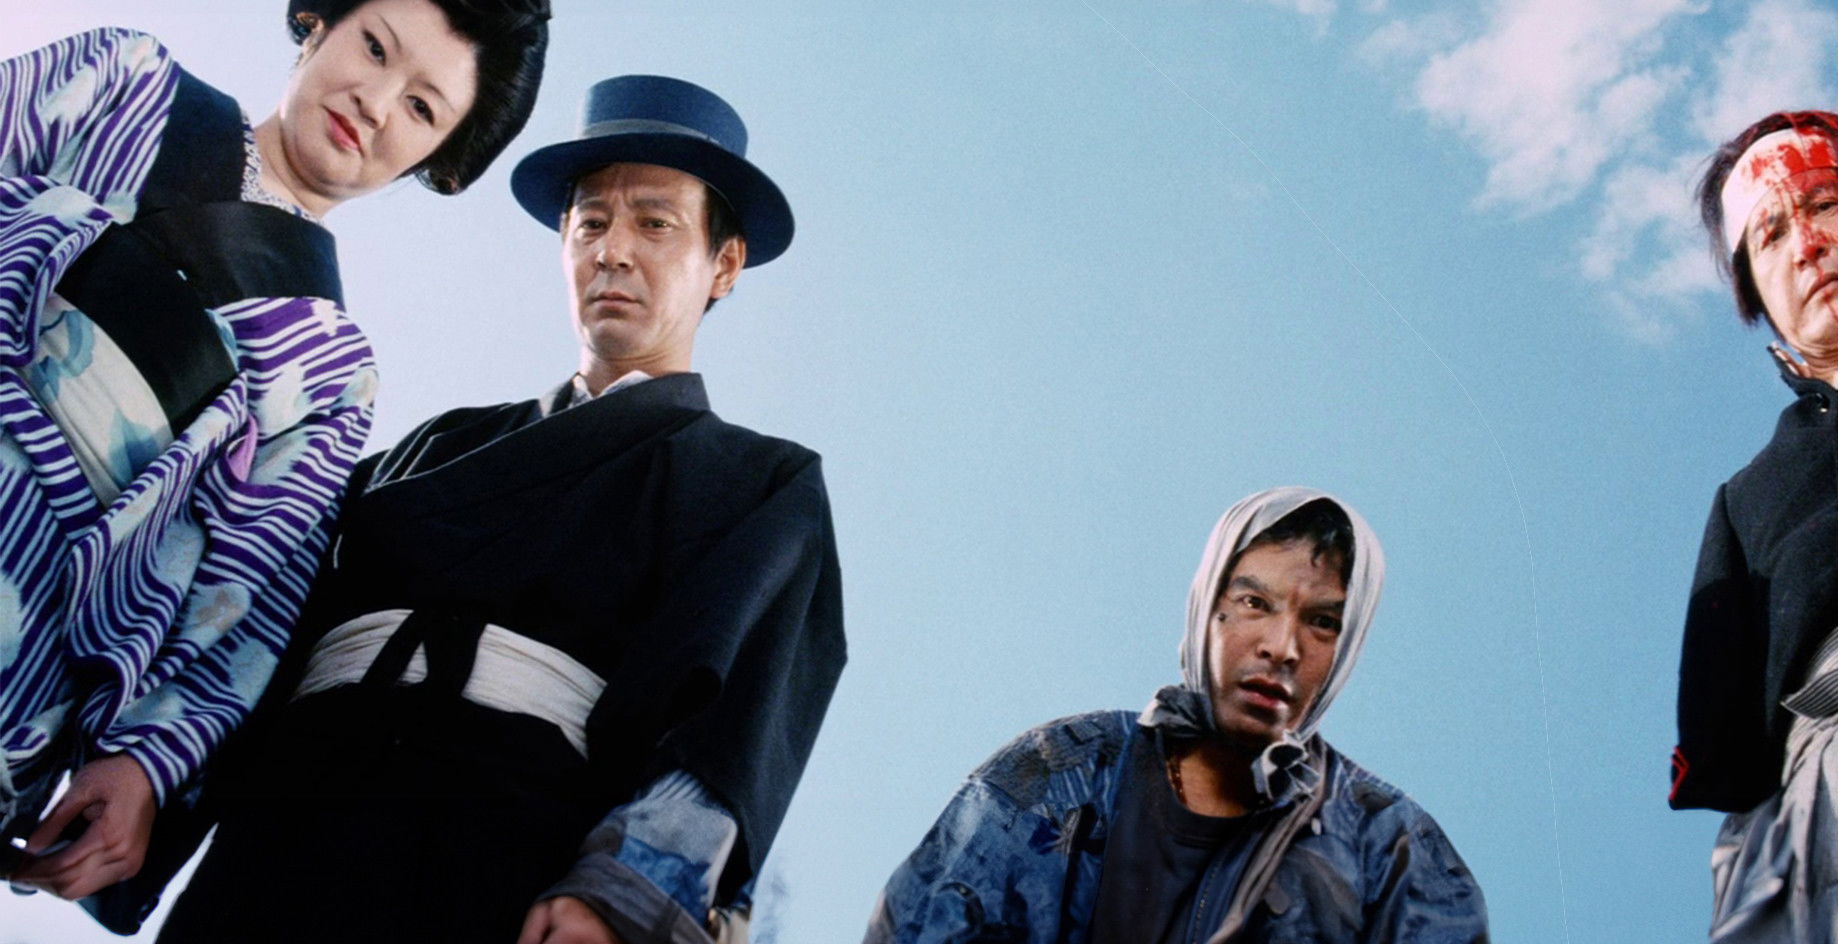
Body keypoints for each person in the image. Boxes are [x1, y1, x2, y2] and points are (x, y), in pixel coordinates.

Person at [155, 74, 845, 943]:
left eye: (655, 223)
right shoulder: (440, 441)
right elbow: (259, 601)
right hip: (286, 816)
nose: (613, 251)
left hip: (506, 844)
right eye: (590, 223)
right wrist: (151, 764)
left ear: (726, 263)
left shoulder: (760, 480)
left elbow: (732, 726)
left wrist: (621, 891)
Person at [0, 0, 550, 907]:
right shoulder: (122, 81)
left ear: (437, 159)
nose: (374, 103)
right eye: (375, 48)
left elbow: (248, 588)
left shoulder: (333, 372)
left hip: (20, 637)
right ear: (317, 20)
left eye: (421, 107)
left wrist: (144, 761)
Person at [867, 488, 1488, 943]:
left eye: (1322, 621)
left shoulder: (1395, 851)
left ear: (1348, 646)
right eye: (1255, 602)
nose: (1282, 647)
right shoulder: (1062, 768)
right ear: (1206, 606)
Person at [1671, 111, 1838, 941]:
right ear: (1756, 292)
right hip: (1830, 821)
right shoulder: (1744, 502)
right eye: (1771, 233)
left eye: (1823, 204)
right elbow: (1732, 760)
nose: (1806, 245)